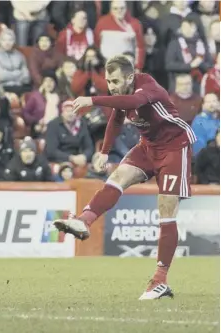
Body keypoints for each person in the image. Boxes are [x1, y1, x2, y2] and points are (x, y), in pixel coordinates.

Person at [53, 55, 196, 301]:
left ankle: (160, 280)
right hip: (148, 146)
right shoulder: (122, 96)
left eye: (115, 80)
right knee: (117, 175)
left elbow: (132, 100)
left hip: (174, 147)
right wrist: (104, 151)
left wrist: (93, 99)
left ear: (130, 77)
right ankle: (84, 220)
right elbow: (116, 119)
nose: (111, 85)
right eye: (108, 81)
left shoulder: (147, 86)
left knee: (166, 210)